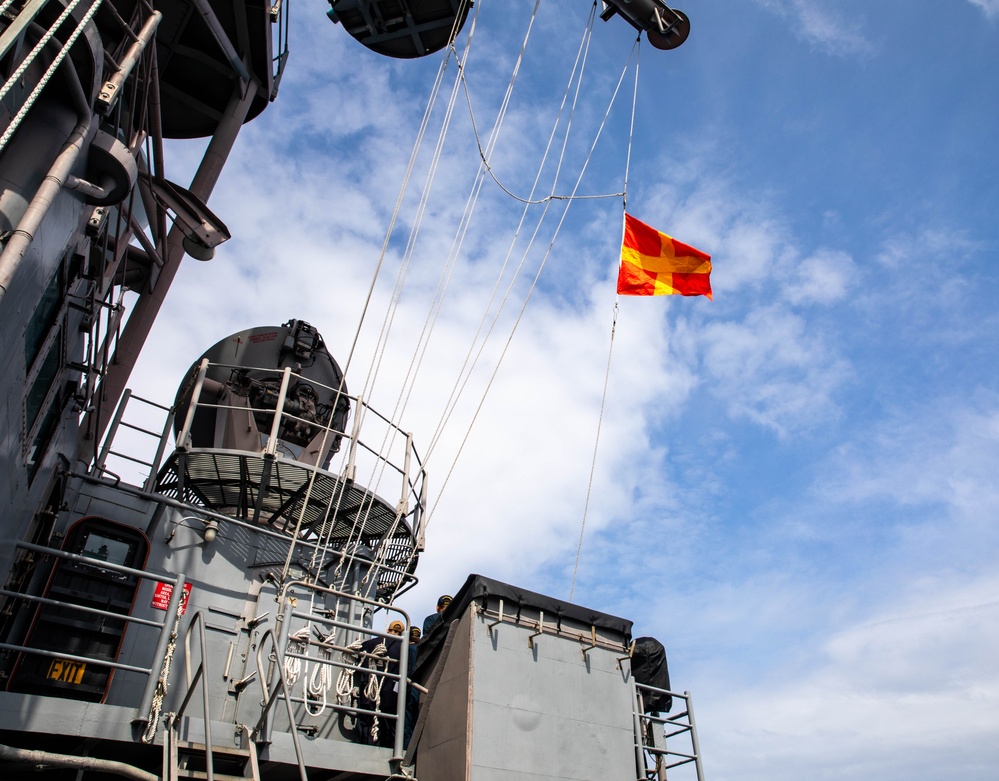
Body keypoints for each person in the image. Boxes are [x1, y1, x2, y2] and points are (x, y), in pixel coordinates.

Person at [356, 620, 405, 747]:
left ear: (388, 630)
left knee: (367, 721)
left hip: (370, 689)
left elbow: (358, 653)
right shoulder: (403, 648)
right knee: (389, 724)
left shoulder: (372, 643)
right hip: (391, 693)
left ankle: (366, 747)